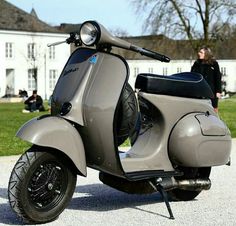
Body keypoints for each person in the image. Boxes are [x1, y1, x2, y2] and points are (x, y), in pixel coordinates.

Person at [191, 46, 222, 113]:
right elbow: (192, 76)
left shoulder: (214, 64)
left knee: (213, 110)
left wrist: (218, 91)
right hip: (198, 91)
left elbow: (218, 78)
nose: (199, 53)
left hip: (211, 91)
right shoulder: (196, 64)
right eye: (199, 52)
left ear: (206, 54)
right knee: (199, 109)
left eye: (201, 52)